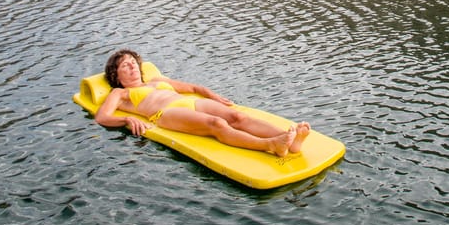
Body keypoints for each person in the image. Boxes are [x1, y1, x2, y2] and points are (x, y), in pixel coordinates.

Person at [95, 49, 310, 157]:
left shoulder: (157, 80)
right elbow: (102, 117)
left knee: (237, 117)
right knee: (217, 124)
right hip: (166, 114)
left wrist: (216, 97)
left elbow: (195, 89)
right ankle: (271, 144)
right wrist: (127, 118)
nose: (132, 67)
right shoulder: (120, 93)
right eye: (125, 66)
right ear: (116, 74)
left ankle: (291, 142)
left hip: (188, 102)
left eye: (133, 62)